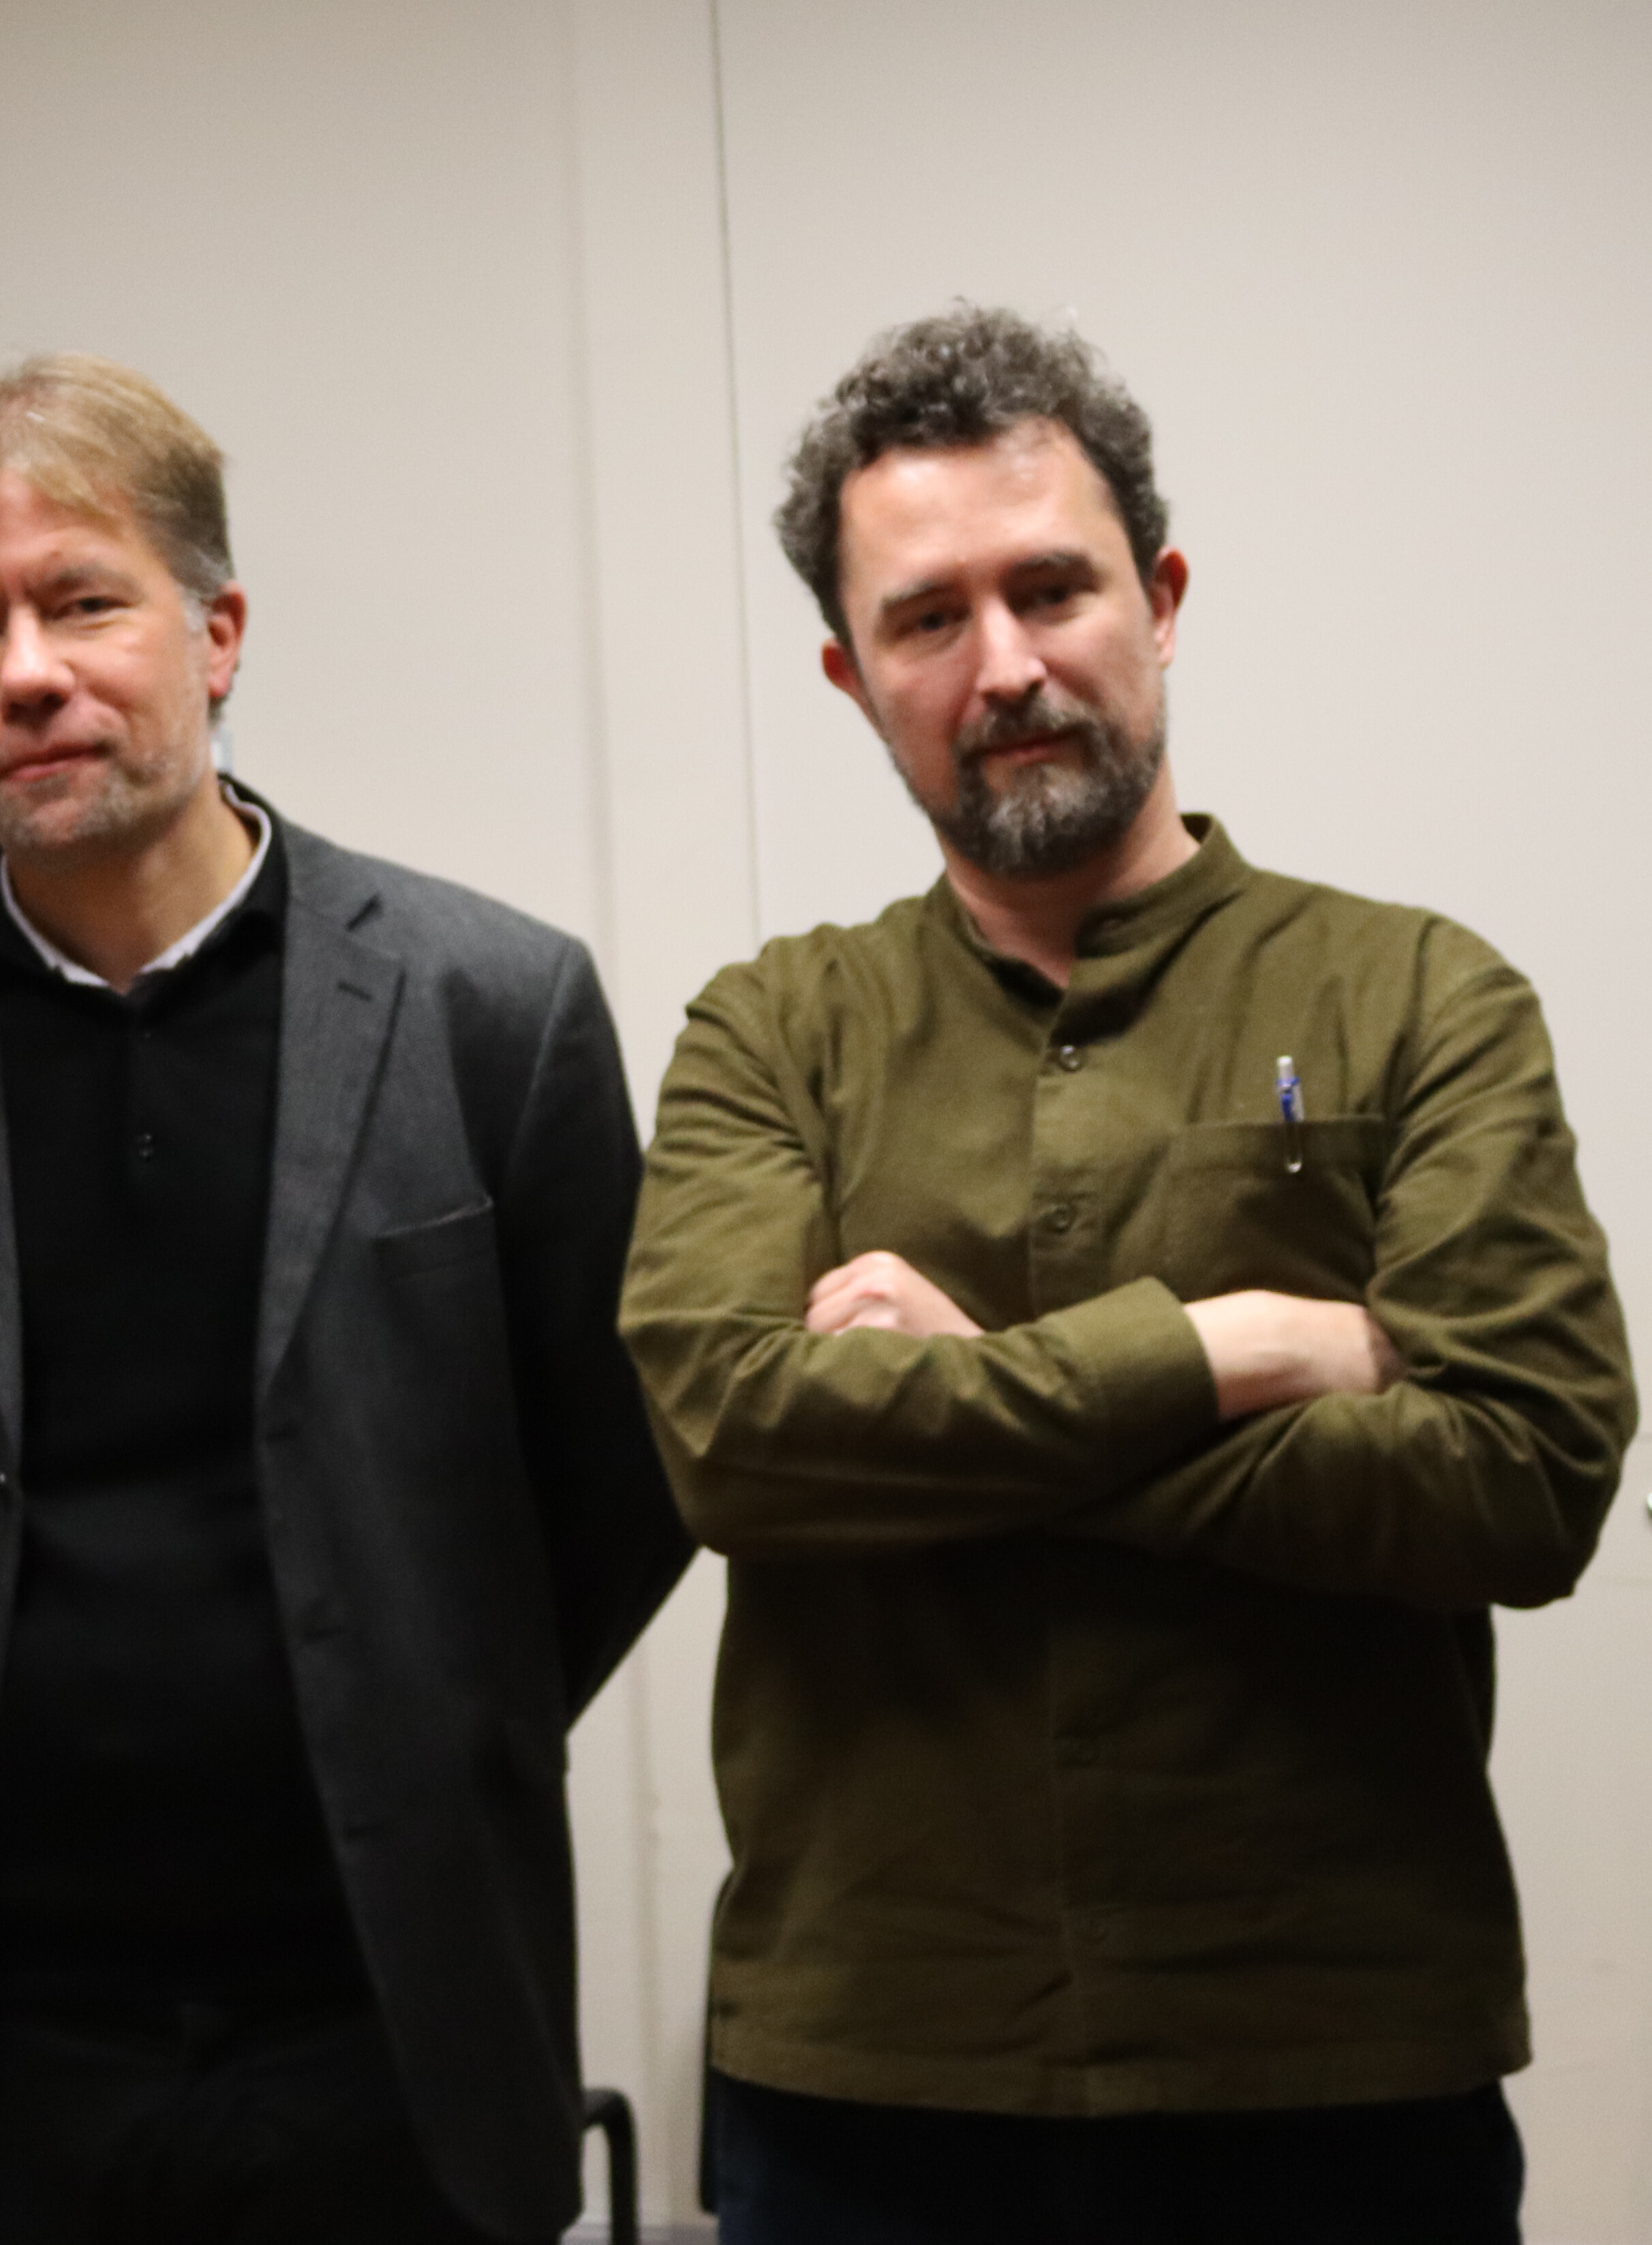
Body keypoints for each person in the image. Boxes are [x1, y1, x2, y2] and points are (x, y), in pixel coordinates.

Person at [619, 306, 1637, 2245]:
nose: (1004, 665)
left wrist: (966, 1388)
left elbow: (1523, 1474)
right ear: (851, 676)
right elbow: (734, 1439)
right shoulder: (773, 1030)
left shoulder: (1422, 994)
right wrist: (1234, 1346)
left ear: (1159, 600)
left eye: (1052, 588)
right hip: (871, 2081)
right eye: (929, 619)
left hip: (1336, 2069)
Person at [0, 353, 688, 2245]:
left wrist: (411, 1720)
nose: (28, 674)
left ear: (218, 632)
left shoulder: (495, 1011)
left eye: (85, 602)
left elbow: (616, 1499)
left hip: (388, 2036)